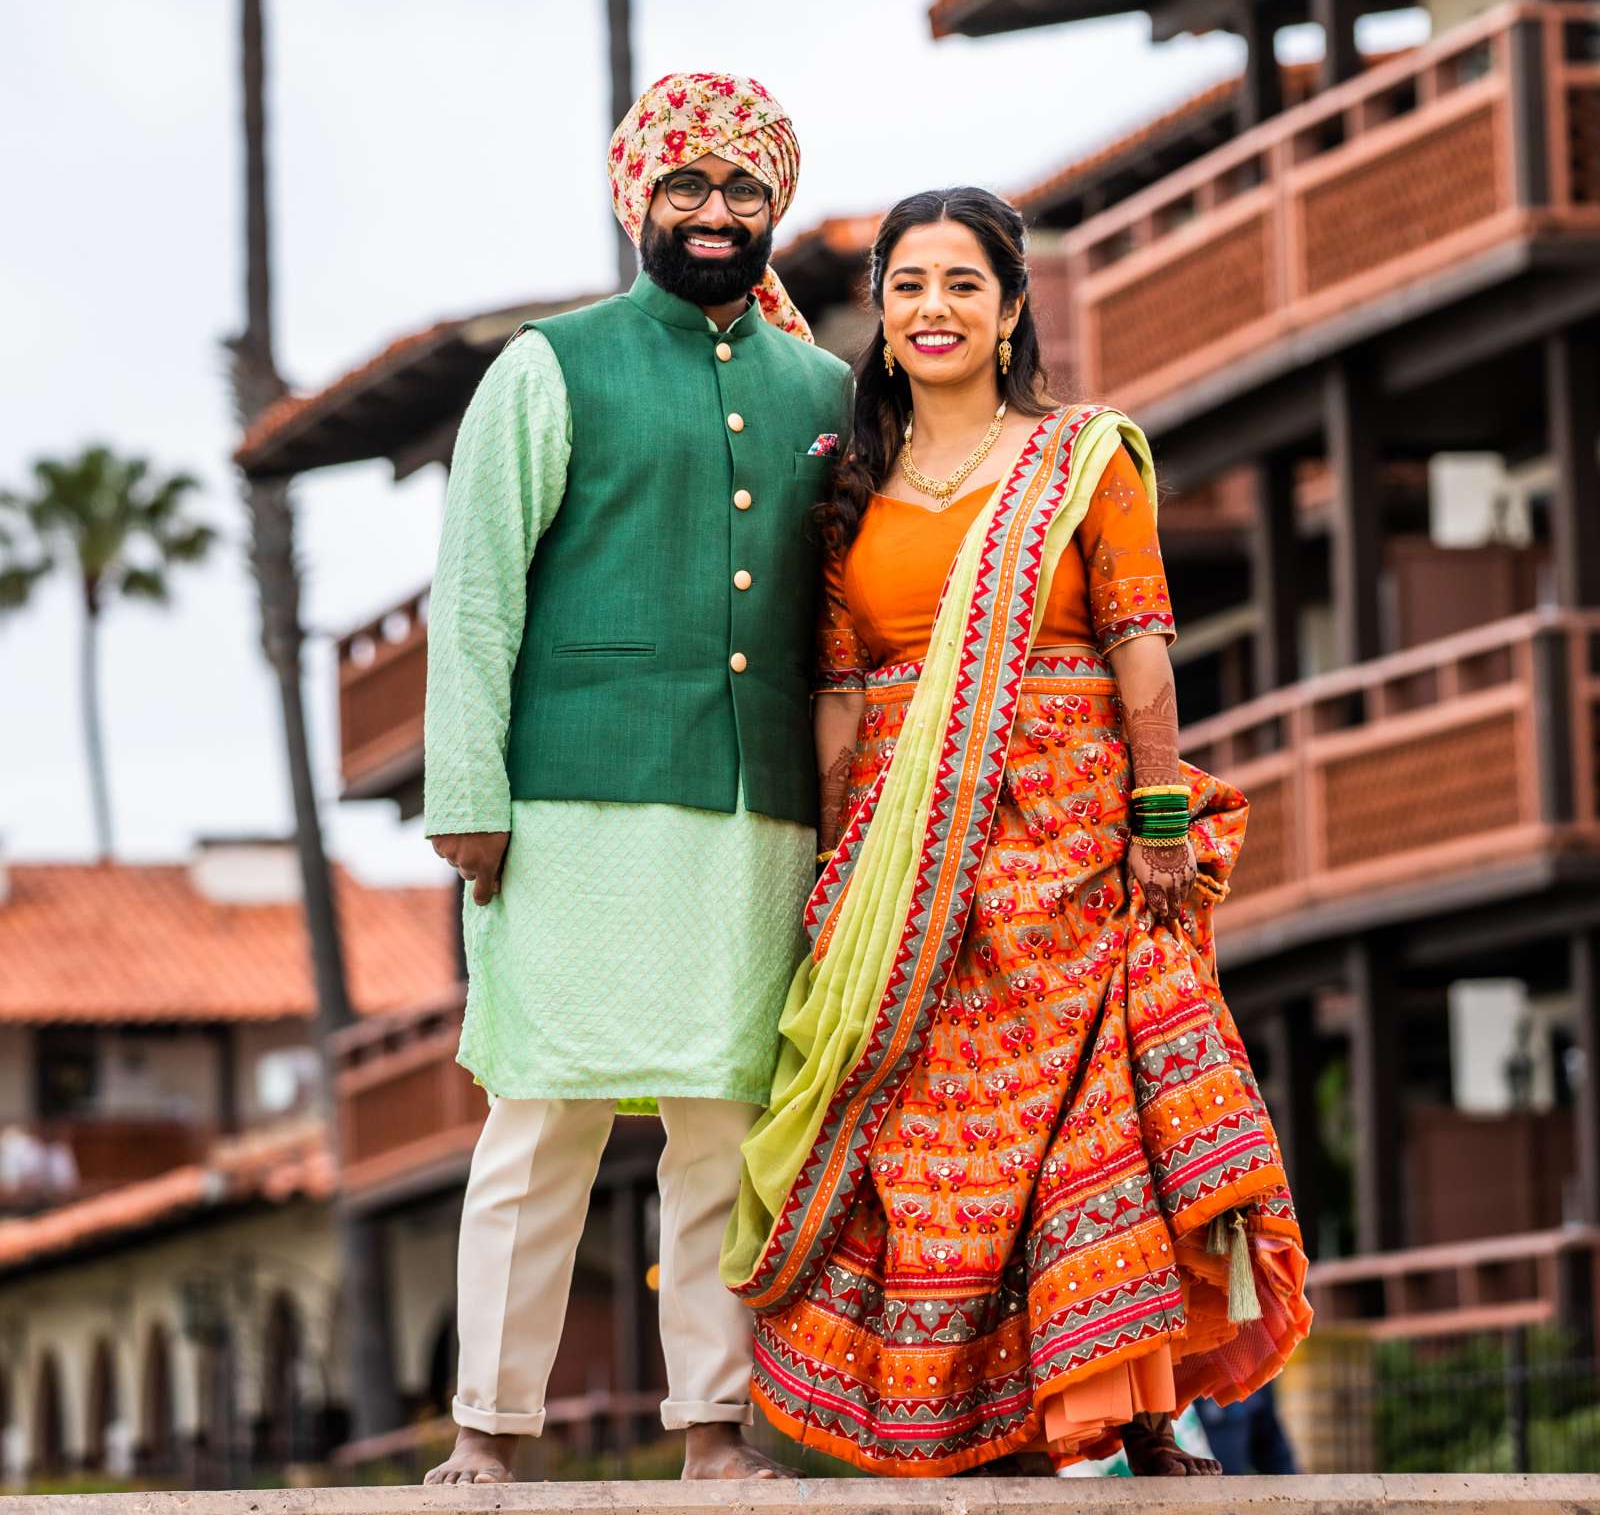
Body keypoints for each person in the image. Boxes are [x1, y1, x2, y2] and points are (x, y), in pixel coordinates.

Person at [722, 187, 1312, 1477]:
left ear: (1012, 311)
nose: (934, 310)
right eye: (910, 287)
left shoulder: (1085, 457)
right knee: (932, 1146)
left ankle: (1131, 1404)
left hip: (1072, 849)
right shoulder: (849, 488)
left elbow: (1140, 635)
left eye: (963, 286)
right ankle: (984, 1420)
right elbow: (837, 692)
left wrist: (1159, 811)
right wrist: (840, 876)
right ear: (879, 313)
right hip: (908, 874)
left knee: (1094, 1119)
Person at [422, 72, 851, 1487]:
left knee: (725, 1124)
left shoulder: (828, 391)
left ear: (772, 206)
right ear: (638, 199)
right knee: (544, 1113)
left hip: (757, 811)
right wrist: (468, 794)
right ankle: (488, 1435)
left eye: (741, 190)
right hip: (566, 805)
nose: (714, 213)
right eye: (687, 186)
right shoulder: (551, 366)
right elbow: (478, 592)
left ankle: (713, 1434)